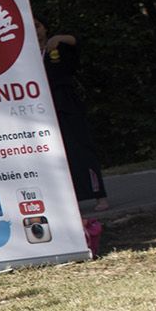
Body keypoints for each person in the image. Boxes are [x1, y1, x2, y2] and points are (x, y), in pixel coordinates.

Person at [36, 20, 108, 211]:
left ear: (45, 28)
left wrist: (59, 38)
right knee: (57, 155)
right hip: (42, 108)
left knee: (82, 149)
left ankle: (99, 195)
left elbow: (78, 41)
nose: (36, 31)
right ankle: (70, 199)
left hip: (67, 103)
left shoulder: (58, 46)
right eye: (31, 27)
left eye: (38, 26)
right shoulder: (26, 54)